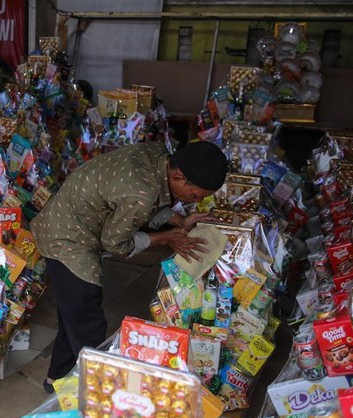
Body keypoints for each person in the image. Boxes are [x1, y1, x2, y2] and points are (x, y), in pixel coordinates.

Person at [31, 141, 229, 392]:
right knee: (88, 322)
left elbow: (141, 204)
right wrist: (165, 238)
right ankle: (100, 393)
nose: (196, 201)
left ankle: (57, 379)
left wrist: (179, 220)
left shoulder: (157, 155)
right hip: (67, 238)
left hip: (66, 219)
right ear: (179, 177)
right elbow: (115, 243)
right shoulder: (141, 193)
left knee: (73, 314)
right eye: (195, 196)